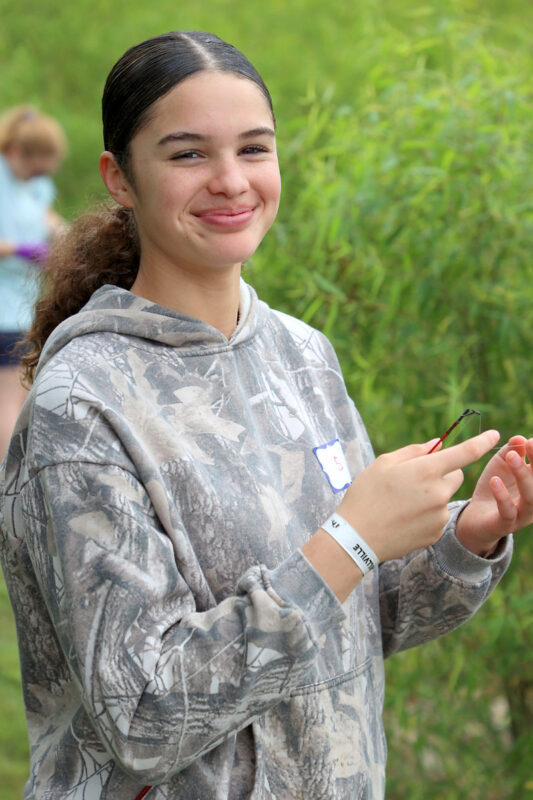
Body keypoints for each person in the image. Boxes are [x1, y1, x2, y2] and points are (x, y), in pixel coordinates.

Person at [0, 31, 532, 800]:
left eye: (254, 149)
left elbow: (348, 621)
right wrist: (350, 539)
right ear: (120, 178)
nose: (230, 181)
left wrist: (467, 536)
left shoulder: (302, 355)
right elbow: (144, 712)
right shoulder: (80, 405)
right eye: (187, 155)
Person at [0, 105, 67, 458]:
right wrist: (19, 250)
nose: (35, 177)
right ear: (13, 151)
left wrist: (67, 239)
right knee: (9, 402)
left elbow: (48, 217)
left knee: (23, 395)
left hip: (25, 309)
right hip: (3, 313)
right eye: (31, 167)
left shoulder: (36, 183)